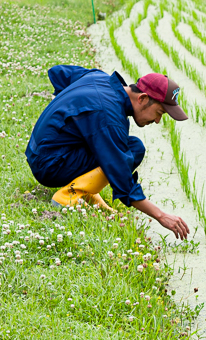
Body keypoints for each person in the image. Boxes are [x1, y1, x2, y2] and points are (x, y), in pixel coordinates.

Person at [26, 65, 190, 239]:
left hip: (40, 152)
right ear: (142, 98)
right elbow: (122, 178)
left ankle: (87, 191)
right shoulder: (108, 115)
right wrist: (161, 215)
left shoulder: (99, 78)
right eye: (159, 113)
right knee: (133, 149)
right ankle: (69, 195)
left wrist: (66, 111)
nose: (157, 121)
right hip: (49, 165)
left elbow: (59, 73)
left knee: (124, 145)